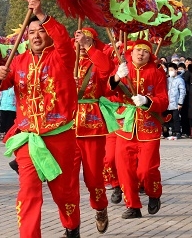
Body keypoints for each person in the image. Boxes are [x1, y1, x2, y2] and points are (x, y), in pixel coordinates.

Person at [0, 0, 80, 238]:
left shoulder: (62, 57)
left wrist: (41, 14)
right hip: (28, 138)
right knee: (28, 192)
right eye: (31, 33)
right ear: (25, 37)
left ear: (48, 33)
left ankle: (72, 225)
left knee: (63, 193)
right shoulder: (18, 61)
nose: (36, 36)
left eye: (40, 31)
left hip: (59, 137)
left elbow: (63, 40)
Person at [108, 40, 168, 219]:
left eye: (145, 51)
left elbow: (164, 100)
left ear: (150, 56)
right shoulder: (123, 69)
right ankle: (132, 205)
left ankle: (154, 194)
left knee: (146, 169)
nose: (141, 54)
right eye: (138, 50)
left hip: (148, 128)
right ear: (131, 52)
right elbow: (107, 91)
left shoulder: (156, 73)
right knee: (124, 169)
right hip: (125, 127)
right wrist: (116, 78)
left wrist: (147, 101)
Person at [72, 27, 114, 234]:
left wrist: (89, 46)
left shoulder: (97, 62)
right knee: (67, 179)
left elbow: (107, 68)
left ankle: (100, 207)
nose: (80, 43)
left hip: (92, 126)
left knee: (93, 176)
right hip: (66, 126)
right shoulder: (65, 62)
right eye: (78, 39)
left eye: (87, 40)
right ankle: (71, 224)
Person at [164, 63, 186, 139]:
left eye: (172, 70)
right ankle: (168, 131)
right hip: (167, 103)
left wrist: (180, 103)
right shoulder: (167, 80)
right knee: (168, 118)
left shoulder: (180, 80)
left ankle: (177, 131)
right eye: (169, 70)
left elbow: (182, 91)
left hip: (176, 103)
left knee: (176, 118)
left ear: (176, 70)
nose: (170, 72)